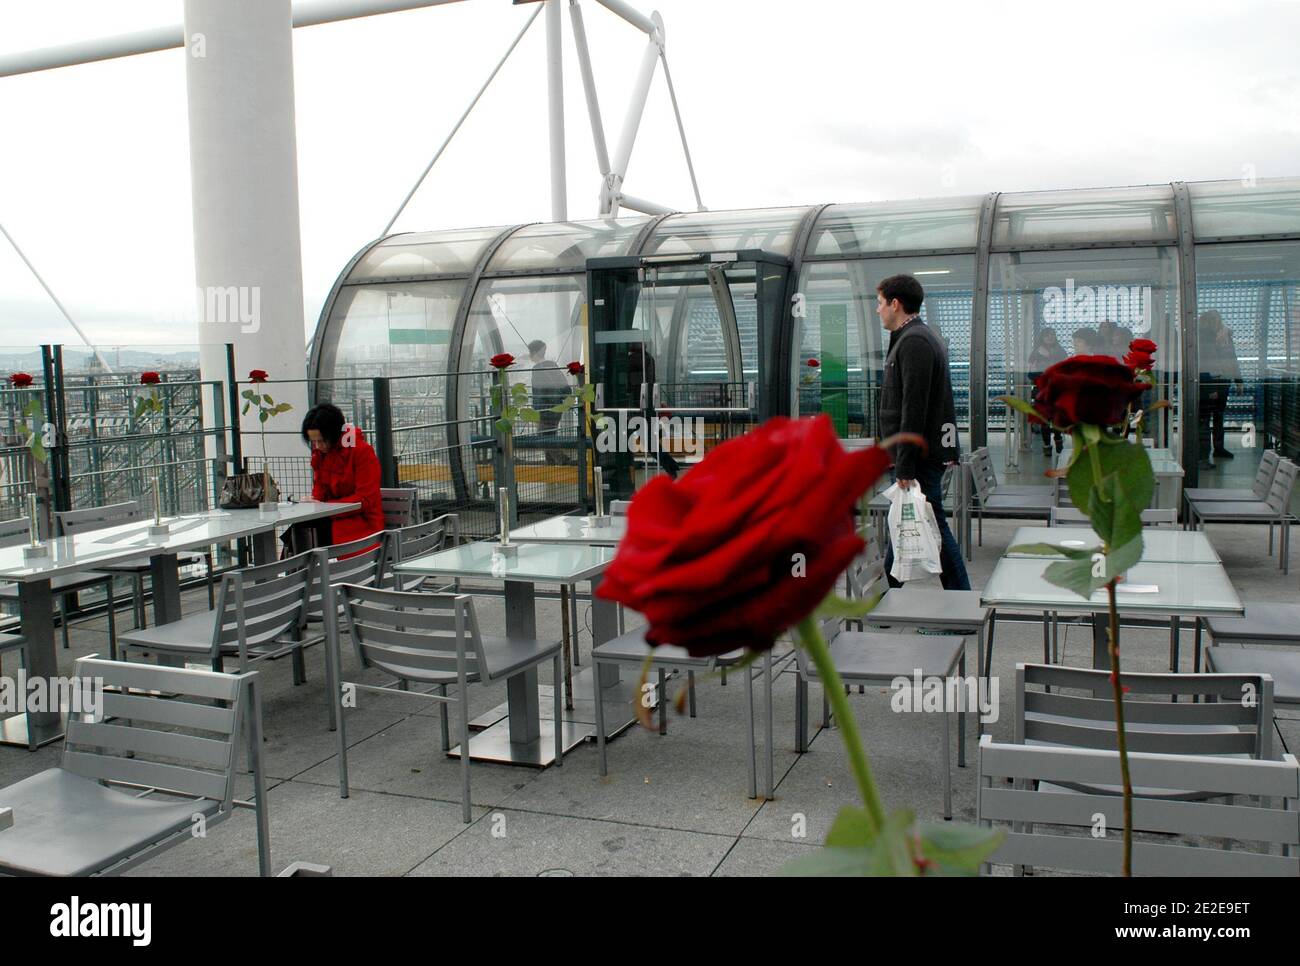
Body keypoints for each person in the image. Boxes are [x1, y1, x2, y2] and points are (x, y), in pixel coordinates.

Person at [876, 273, 970, 591]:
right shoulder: (913, 337)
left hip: (920, 456)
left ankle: (961, 604)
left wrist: (904, 465)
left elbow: (913, 408)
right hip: (922, 453)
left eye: (880, 303)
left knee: (933, 527)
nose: (878, 311)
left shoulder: (914, 341)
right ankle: (886, 599)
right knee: (908, 522)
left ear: (895, 303)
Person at [283, 403, 384, 554]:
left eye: (321, 440)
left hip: (361, 522)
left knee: (301, 533)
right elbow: (320, 490)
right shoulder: (322, 454)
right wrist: (313, 502)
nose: (317, 446)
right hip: (337, 518)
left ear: (334, 435)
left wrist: (325, 507)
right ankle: (297, 572)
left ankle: (297, 573)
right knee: (299, 528)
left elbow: (365, 499)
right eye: (314, 442)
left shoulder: (362, 452)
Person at [1198, 310, 1242, 464]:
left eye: (1217, 319)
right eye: (1212, 319)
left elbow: (1232, 358)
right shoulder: (1202, 337)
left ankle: (1219, 448)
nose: (1216, 322)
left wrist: (1239, 380)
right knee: (1204, 417)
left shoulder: (1226, 337)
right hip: (1209, 382)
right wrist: (1211, 389)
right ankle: (1203, 454)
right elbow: (1204, 363)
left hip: (1224, 380)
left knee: (1218, 415)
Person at [528, 339, 570, 465]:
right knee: (550, 435)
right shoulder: (553, 366)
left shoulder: (536, 369)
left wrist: (536, 411)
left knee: (543, 439)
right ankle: (551, 463)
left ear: (533, 353)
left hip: (544, 409)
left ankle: (562, 460)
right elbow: (565, 388)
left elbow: (538, 393)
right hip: (557, 407)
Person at [1027, 328, 1066, 455]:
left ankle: (1058, 438)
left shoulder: (1061, 351)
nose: (1050, 338)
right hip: (1041, 390)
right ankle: (1047, 445)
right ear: (1042, 338)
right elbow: (1030, 374)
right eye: (1047, 336)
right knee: (1044, 419)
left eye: (1052, 335)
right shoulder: (1035, 353)